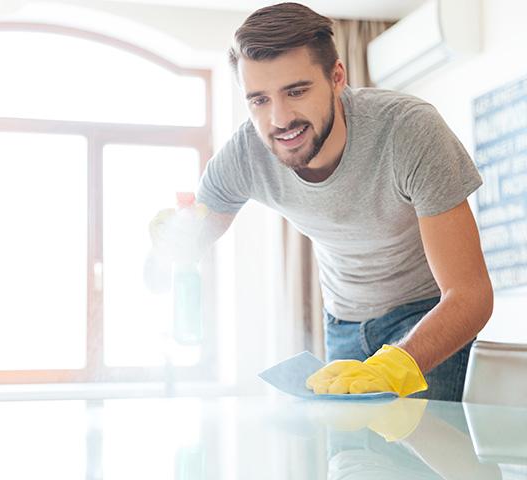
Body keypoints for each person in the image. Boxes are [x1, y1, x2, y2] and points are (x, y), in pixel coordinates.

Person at [149, 2, 493, 401]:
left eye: (296, 91)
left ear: (337, 77)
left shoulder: (408, 131)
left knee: (418, 459)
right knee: (349, 460)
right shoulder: (245, 153)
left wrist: (397, 363)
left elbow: (470, 295)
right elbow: (194, 235)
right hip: (343, 322)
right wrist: (172, 238)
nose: (279, 118)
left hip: (426, 318)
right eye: (259, 100)